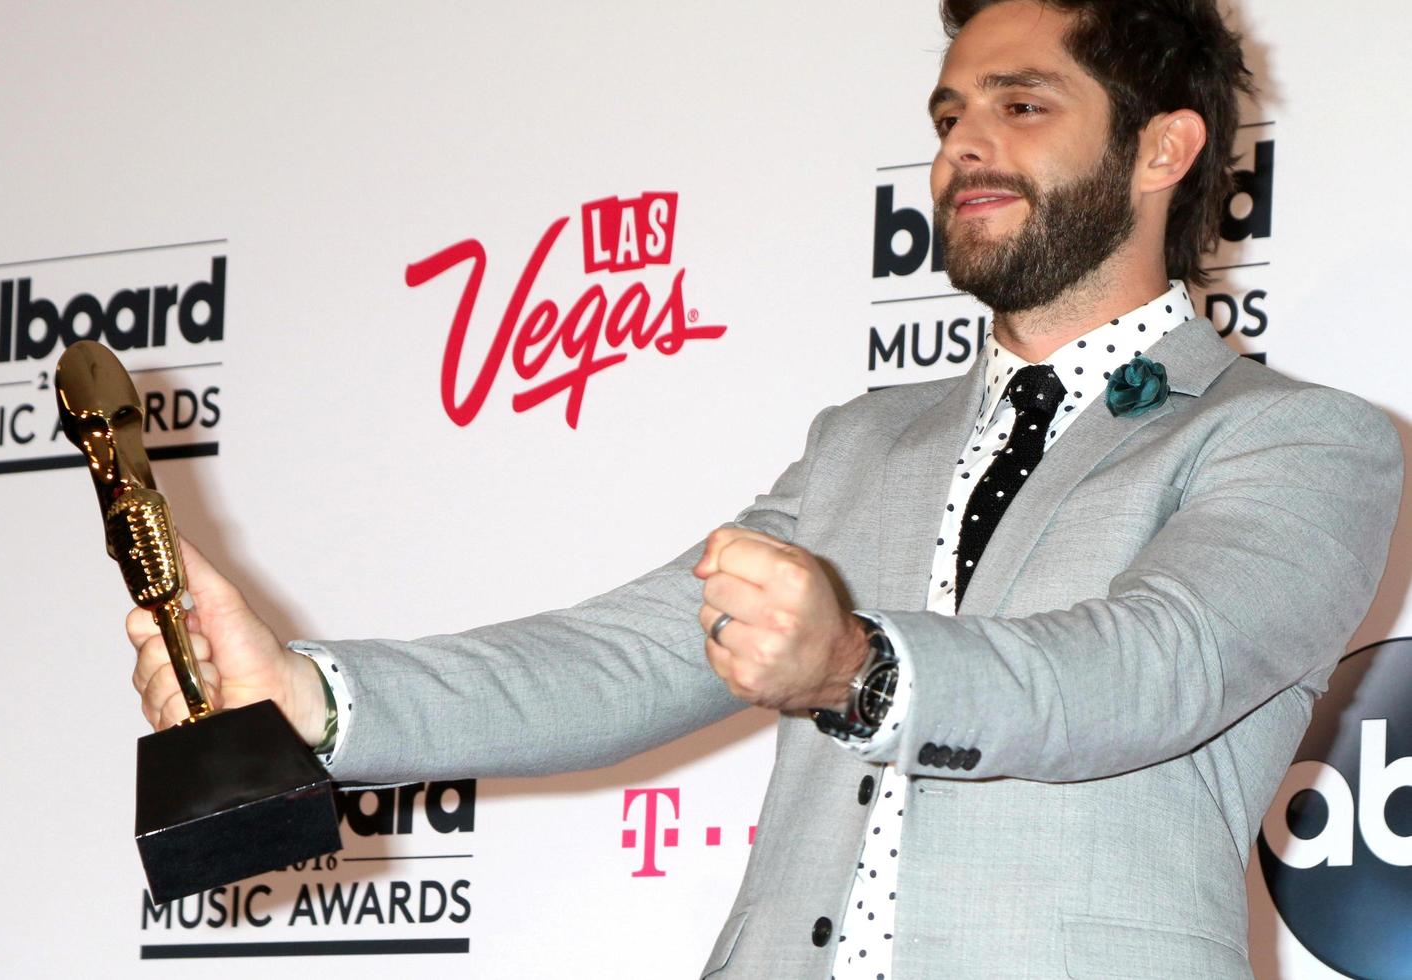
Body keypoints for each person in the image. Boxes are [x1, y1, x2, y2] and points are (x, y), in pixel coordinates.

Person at [127, 1, 1401, 977]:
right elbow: (624, 653)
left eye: (1023, 107)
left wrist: (859, 667)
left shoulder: (1300, 442)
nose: (964, 146)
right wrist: (309, 695)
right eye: (951, 115)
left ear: (1164, 146)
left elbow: (1150, 666)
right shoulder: (861, 444)